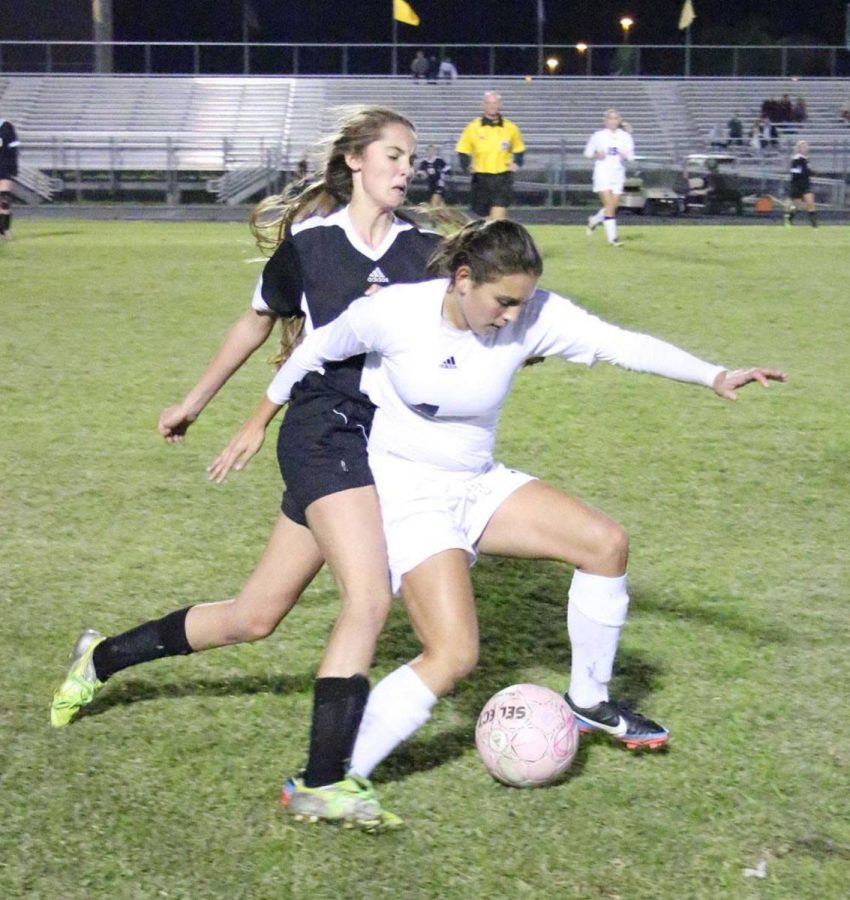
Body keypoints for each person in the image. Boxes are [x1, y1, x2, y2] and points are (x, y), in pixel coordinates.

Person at [217, 219, 785, 824]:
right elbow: (313, 349)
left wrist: (713, 374)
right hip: (409, 492)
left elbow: (624, 345)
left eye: (523, 301)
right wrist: (256, 422)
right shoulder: (396, 312)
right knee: (454, 652)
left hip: (478, 482)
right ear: (463, 280)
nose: (514, 316)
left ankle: (589, 701)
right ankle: (333, 773)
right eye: (503, 301)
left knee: (605, 544)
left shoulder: (536, 313)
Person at [50, 106, 444, 832]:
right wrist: (194, 402)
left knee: (252, 617)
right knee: (368, 600)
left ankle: (98, 659)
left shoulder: (425, 251)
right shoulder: (312, 244)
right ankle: (320, 783)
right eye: (392, 155)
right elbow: (258, 318)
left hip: (383, 443)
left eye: (411, 160)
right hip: (322, 432)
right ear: (355, 160)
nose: (404, 170)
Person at [455, 91, 526, 220]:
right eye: (488, 103)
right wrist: (466, 166)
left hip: (502, 177)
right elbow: (463, 150)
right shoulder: (472, 127)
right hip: (481, 177)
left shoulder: (511, 127)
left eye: (495, 103)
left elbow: (519, 149)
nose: (492, 106)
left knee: (497, 217)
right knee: (483, 219)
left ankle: (498, 237)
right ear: (483, 105)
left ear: (500, 105)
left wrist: (517, 163)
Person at [584, 108, 634, 247]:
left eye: (615, 118)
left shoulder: (625, 136)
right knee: (609, 207)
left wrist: (626, 156)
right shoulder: (598, 136)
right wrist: (596, 155)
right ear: (605, 121)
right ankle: (613, 239)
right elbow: (587, 153)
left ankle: (593, 221)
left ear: (619, 120)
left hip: (618, 174)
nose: (613, 121)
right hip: (602, 173)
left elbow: (630, 155)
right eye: (610, 118)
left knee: (612, 206)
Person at [784, 140, 817, 229]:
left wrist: (811, 172)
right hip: (797, 184)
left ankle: (814, 225)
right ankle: (789, 218)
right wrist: (805, 172)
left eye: (806, 147)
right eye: (803, 147)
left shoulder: (806, 159)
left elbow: (807, 171)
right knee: (797, 207)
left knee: (810, 203)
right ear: (799, 148)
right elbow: (795, 172)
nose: (805, 148)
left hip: (806, 184)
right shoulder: (796, 159)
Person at [0, 116, 20, 239]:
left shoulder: (6, 127)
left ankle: (5, 229)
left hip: (4, 167)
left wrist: (13, 168)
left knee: (4, 199)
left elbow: (14, 150)